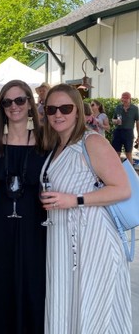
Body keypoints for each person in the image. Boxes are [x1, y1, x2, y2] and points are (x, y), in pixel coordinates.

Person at [40, 83, 132, 333]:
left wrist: (75, 199)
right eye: (52, 109)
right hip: (64, 242)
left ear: (78, 111)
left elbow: (123, 189)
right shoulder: (56, 146)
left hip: (93, 242)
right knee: (68, 309)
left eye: (65, 108)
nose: (58, 114)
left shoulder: (91, 142)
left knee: (94, 313)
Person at [0, 80, 47, 334]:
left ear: (30, 104)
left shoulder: (46, 140)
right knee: (0, 283)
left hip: (34, 220)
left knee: (33, 284)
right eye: (7, 102)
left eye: (20, 100)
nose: (14, 106)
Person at [112, 91, 139, 163]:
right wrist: (115, 121)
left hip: (128, 132)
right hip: (118, 131)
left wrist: (138, 135)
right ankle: (117, 171)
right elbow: (113, 119)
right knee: (116, 153)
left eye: (126, 99)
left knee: (128, 153)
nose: (124, 100)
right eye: (123, 98)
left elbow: (137, 123)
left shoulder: (135, 108)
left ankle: (131, 173)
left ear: (130, 99)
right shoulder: (118, 107)